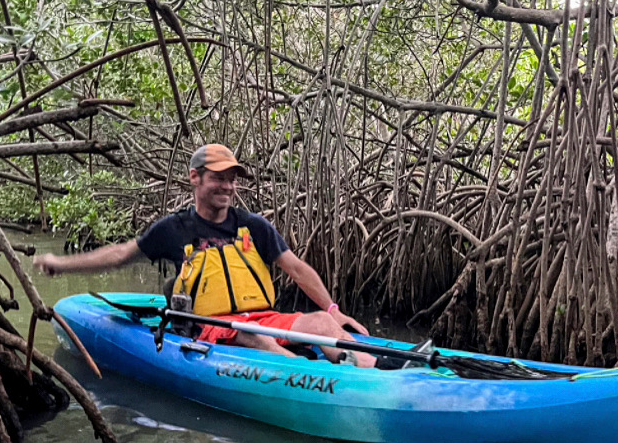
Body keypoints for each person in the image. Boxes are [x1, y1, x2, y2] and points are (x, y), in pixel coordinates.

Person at [33, 143, 376, 367]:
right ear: (195, 178)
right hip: (211, 329)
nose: (228, 186)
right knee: (248, 335)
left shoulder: (252, 226)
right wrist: (61, 264)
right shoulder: (174, 229)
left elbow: (297, 269)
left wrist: (333, 311)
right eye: (218, 178)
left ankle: (380, 369)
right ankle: (316, 374)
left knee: (320, 323)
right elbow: (121, 255)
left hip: (262, 317)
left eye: (232, 180)